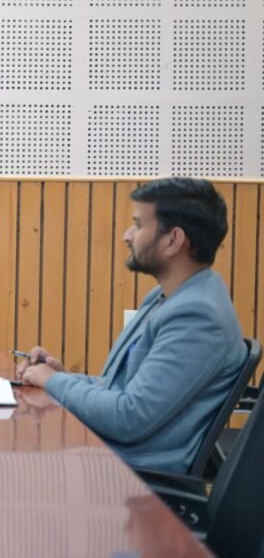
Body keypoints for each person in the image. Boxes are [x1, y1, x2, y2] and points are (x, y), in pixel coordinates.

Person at [17, 177, 247, 473]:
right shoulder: (169, 297)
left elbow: (127, 417)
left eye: (138, 225)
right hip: (109, 458)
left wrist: (52, 381)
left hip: (132, 477)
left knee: (14, 463)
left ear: (173, 240)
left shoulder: (197, 316)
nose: (127, 236)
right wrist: (60, 377)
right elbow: (118, 387)